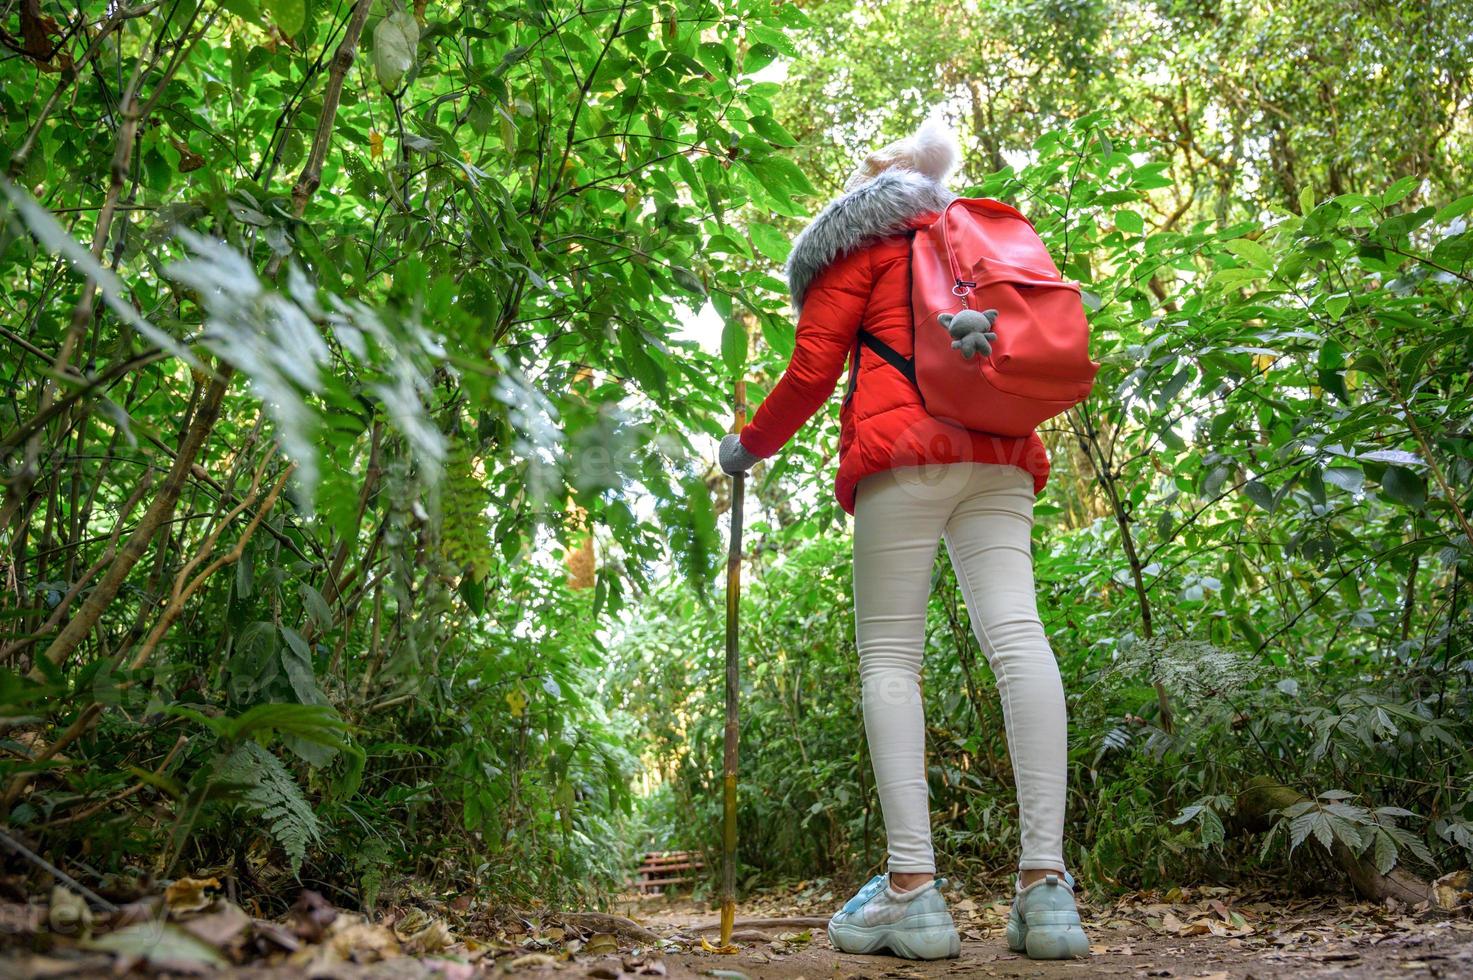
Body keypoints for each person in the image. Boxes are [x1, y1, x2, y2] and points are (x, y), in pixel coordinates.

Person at [717, 118, 1089, 961]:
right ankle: (1047, 892)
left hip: (905, 456)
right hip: (1000, 454)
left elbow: (812, 370)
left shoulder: (861, 246)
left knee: (891, 658)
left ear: (870, 184)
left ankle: (913, 892)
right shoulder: (972, 241)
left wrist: (747, 446)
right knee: (1018, 638)